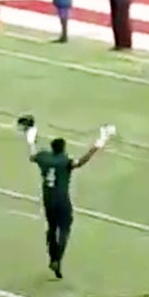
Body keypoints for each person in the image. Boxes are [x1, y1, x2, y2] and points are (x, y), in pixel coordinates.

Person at [19, 115, 112, 279]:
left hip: (48, 199)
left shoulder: (44, 157)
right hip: (62, 199)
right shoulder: (65, 161)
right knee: (64, 228)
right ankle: (57, 258)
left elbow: (33, 154)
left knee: (51, 228)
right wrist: (99, 143)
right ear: (63, 149)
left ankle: (52, 257)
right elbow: (81, 161)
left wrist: (31, 138)